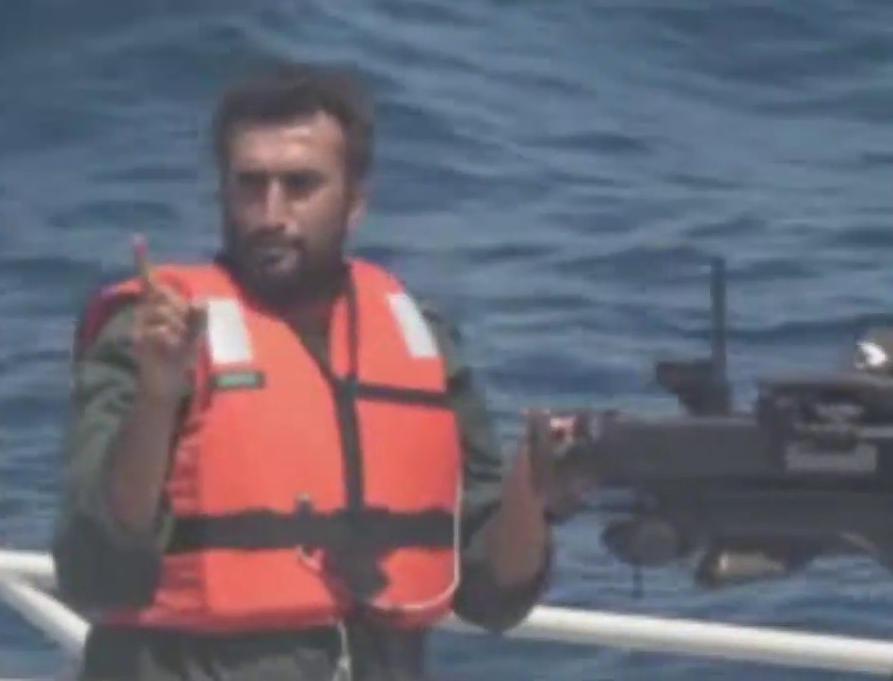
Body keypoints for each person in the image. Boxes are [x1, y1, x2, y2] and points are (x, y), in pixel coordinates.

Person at [52, 60, 580, 681]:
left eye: (300, 185)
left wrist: (531, 489)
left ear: (354, 202)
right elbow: (96, 568)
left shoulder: (423, 340)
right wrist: (156, 398)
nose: (270, 213)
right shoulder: (155, 334)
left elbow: (492, 591)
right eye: (251, 185)